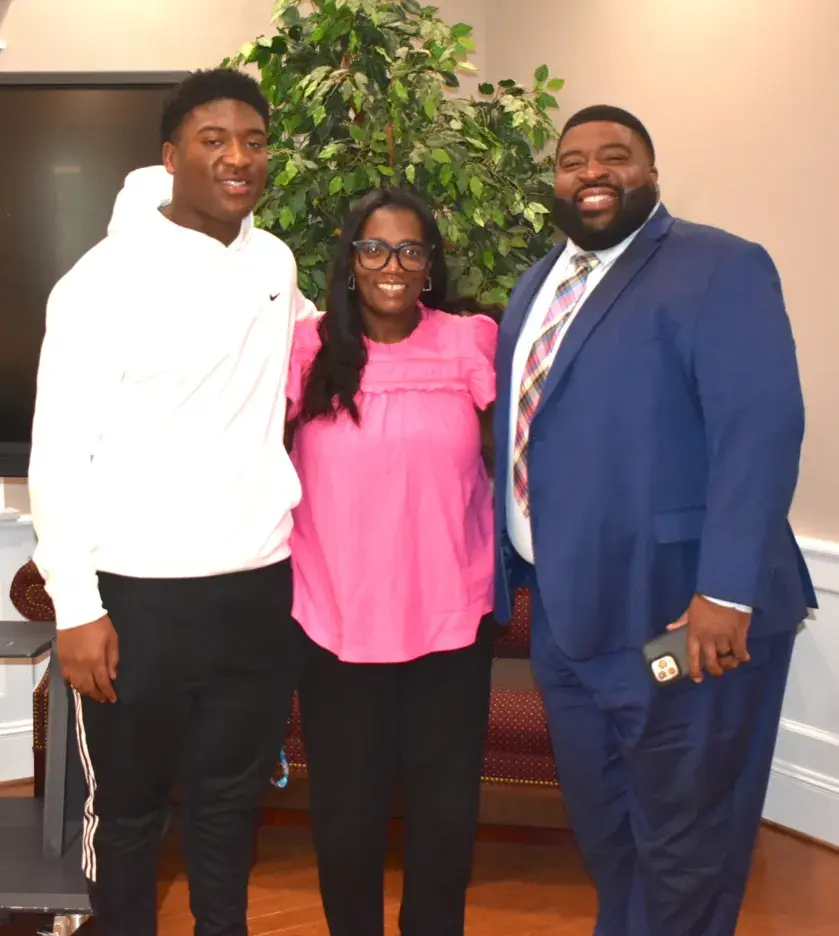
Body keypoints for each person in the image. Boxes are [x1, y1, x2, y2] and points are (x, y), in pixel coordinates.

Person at [492, 104, 816, 936]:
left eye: (615, 156)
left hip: (680, 619)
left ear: (651, 174)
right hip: (568, 623)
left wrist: (725, 595)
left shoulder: (718, 266)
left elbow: (760, 429)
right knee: (606, 823)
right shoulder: (535, 284)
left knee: (686, 835)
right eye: (571, 160)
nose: (591, 172)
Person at [28, 68, 316, 936]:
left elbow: (319, 349)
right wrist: (77, 609)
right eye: (212, 140)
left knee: (230, 806)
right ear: (169, 155)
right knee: (128, 815)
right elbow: (57, 454)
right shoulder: (100, 282)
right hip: (137, 599)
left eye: (254, 142)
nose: (238, 158)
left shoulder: (274, 261)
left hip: (256, 590)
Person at [286, 188, 497, 936]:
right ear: (350, 262)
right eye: (374, 249)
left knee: (446, 815)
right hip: (335, 623)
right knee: (346, 817)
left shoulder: (472, 341)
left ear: (430, 262)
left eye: (411, 250)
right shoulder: (305, 348)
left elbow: (516, 454)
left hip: (451, 622)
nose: (392, 266)